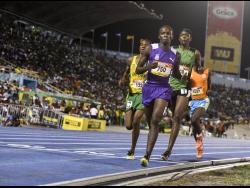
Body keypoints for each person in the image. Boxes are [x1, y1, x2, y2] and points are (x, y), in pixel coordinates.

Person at [135, 25, 182, 167]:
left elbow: (175, 74)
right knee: (150, 123)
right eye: (163, 33)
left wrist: (182, 73)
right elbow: (138, 70)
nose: (166, 35)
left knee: (155, 120)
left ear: (172, 36)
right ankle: (150, 145)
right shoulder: (151, 48)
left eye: (168, 33)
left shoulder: (175, 54)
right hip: (149, 87)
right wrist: (150, 67)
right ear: (159, 35)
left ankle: (147, 155)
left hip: (164, 89)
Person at [161, 28, 202, 160]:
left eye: (187, 36)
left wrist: (195, 75)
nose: (184, 38)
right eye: (182, 35)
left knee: (177, 117)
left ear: (190, 39)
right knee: (170, 116)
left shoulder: (195, 53)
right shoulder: (173, 50)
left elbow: (198, 69)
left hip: (184, 88)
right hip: (170, 86)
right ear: (179, 38)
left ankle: (168, 149)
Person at [118, 38, 151, 160]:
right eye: (141, 44)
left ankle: (132, 149)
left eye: (145, 45)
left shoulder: (151, 62)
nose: (142, 46)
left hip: (143, 95)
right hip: (131, 95)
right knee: (128, 126)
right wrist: (122, 79)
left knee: (136, 120)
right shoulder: (131, 60)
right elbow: (126, 72)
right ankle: (134, 132)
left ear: (149, 48)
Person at [189, 63, 210, 160]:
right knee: (194, 127)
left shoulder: (206, 71)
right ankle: (199, 148)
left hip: (203, 100)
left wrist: (208, 88)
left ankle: (200, 135)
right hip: (193, 102)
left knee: (193, 119)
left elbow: (208, 79)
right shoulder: (191, 71)